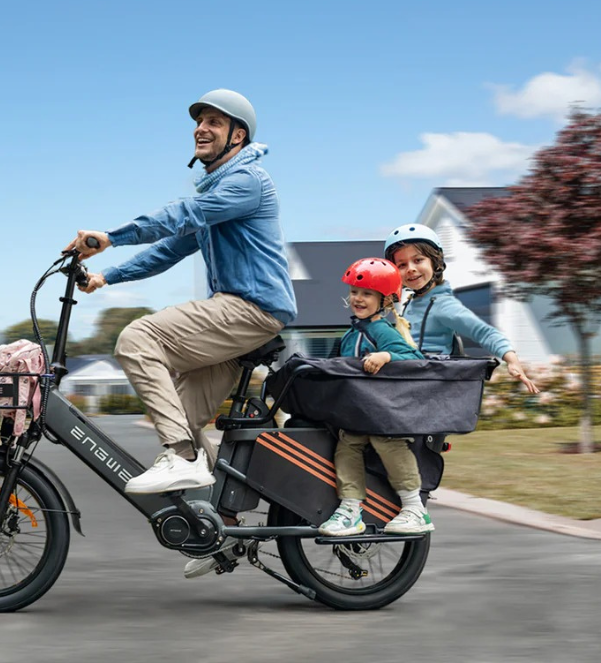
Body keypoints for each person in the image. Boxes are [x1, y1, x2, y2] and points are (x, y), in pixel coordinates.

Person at [63, 89, 297, 506]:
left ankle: (184, 458)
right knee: (179, 421)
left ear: (237, 136)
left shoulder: (246, 182)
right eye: (199, 121)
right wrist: (105, 277)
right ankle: (218, 526)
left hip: (251, 310)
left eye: (214, 122)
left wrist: (111, 238)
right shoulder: (216, 190)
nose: (201, 129)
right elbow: (170, 248)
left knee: (137, 340)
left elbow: (183, 215)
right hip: (236, 319)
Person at [318, 258, 435, 537]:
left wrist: (386, 355)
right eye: (355, 292)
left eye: (368, 294)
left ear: (384, 301)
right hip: (359, 412)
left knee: (389, 443)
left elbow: (414, 358)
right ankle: (350, 508)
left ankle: (414, 508)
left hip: (386, 413)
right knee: (347, 446)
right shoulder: (351, 333)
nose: (358, 298)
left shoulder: (381, 330)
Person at [383, 223, 539, 393]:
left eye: (418, 260)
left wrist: (511, 360)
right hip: (408, 381)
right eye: (402, 265)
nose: (411, 269)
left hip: (429, 386)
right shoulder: (412, 302)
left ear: (435, 262)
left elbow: (483, 332)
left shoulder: (442, 305)